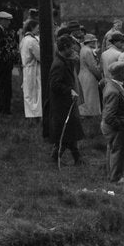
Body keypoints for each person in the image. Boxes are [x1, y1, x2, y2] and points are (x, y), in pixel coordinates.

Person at [48, 34, 84, 165]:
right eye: (71, 48)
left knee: (70, 131)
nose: (73, 50)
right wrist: (69, 90)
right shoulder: (58, 64)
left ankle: (77, 158)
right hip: (61, 104)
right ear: (65, 48)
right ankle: (56, 157)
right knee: (65, 133)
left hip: (66, 103)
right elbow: (54, 84)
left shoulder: (63, 61)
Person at [100, 61, 124, 183]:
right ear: (119, 73)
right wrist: (121, 126)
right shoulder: (114, 91)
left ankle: (113, 175)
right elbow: (109, 115)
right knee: (118, 152)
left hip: (111, 126)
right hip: (114, 127)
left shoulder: (113, 86)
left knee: (112, 150)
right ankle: (116, 178)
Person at [0, 11, 17, 114]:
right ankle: (4, 109)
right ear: (1, 21)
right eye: (7, 21)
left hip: (2, 65)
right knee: (4, 87)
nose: (9, 23)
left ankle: (3, 108)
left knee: (3, 87)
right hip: (2, 65)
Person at [77, 34, 103, 132]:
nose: (95, 43)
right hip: (89, 77)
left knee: (87, 97)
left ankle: (87, 119)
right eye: (93, 41)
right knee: (90, 98)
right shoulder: (87, 51)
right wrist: (100, 77)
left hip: (84, 75)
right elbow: (93, 66)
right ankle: (90, 123)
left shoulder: (83, 49)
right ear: (90, 42)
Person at [18, 19, 42, 120]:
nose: (38, 30)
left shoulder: (24, 39)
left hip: (27, 68)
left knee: (28, 92)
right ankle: (35, 115)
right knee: (35, 92)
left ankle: (30, 115)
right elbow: (40, 56)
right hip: (32, 68)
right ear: (32, 28)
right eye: (37, 28)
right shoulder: (32, 41)